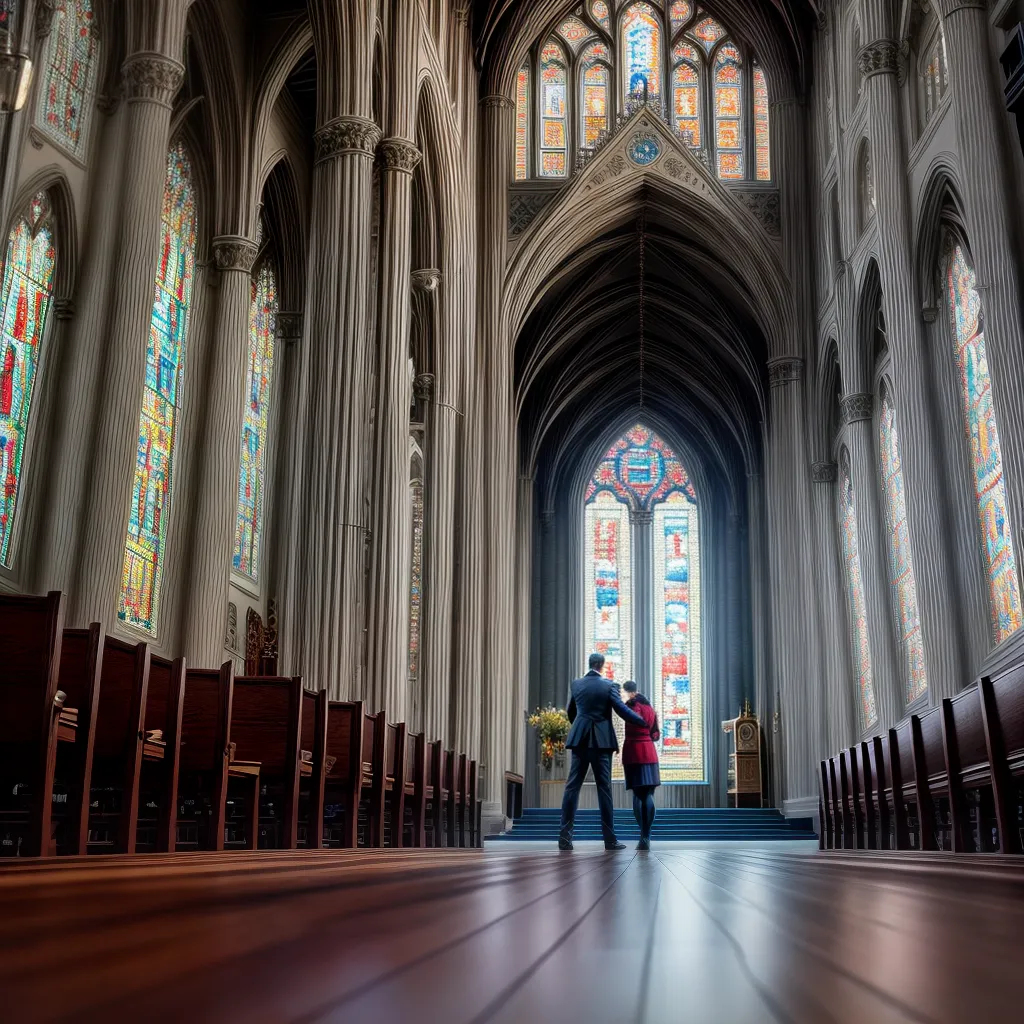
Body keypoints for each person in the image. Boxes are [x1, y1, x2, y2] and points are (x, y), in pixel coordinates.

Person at [559, 652, 647, 851]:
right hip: (602, 742)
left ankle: (564, 839)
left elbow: (570, 712)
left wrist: (581, 728)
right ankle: (609, 840)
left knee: (572, 787)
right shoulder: (609, 685)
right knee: (604, 790)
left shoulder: (576, 684)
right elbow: (621, 710)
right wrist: (642, 722)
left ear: (589, 664)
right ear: (601, 665)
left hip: (579, 739)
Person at [621, 680, 661, 851]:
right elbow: (656, 735)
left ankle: (642, 837)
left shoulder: (630, 707)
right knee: (649, 794)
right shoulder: (650, 709)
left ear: (629, 692)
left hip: (634, 752)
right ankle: (647, 835)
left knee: (638, 795)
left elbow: (630, 721)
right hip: (650, 752)